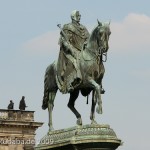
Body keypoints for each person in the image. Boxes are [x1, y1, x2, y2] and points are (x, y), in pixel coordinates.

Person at [56, 10, 90, 93]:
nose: (79, 17)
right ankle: (69, 82)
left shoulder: (83, 28)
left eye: (80, 15)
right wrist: (70, 48)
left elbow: (89, 38)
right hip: (70, 51)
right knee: (75, 61)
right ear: (73, 17)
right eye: (77, 15)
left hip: (83, 51)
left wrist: (87, 43)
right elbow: (63, 40)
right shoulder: (67, 27)